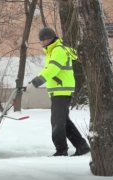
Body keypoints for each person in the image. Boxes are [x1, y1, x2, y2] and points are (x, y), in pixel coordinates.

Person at [26, 27, 90, 157]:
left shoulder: (58, 50)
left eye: (42, 41)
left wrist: (36, 82)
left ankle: (61, 151)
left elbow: (52, 70)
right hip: (59, 91)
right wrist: (33, 82)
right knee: (63, 121)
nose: (42, 44)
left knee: (57, 122)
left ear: (48, 39)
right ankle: (81, 146)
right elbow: (50, 69)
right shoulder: (53, 51)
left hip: (62, 90)